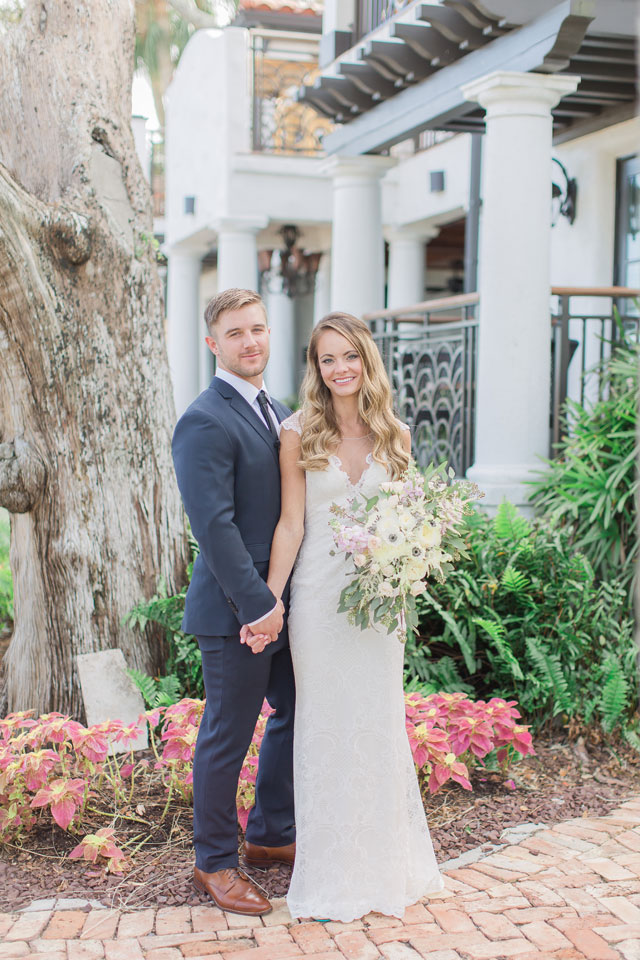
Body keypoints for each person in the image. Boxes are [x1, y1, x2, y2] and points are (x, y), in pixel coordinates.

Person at [243, 312, 444, 922]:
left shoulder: (397, 436)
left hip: (381, 608)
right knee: (325, 729)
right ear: (316, 367)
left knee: (378, 724)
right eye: (327, 359)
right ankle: (330, 874)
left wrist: (411, 567)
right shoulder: (298, 432)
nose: (339, 369)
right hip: (322, 604)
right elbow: (292, 524)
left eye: (349, 356)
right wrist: (271, 601)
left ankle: (385, 866)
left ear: (367, 361)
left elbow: (410, 518)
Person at [172, 288, 296, 917]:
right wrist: (257, 606)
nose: (251, 341)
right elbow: (214, 528)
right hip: (234, 613)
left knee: (294, 712)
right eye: (236, 333)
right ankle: (215, 861)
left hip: (283, 605)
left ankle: (273, 834)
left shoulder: (278, 410)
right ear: (213, 343)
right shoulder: (204, 419)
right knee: (227, 734)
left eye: (259, 329)